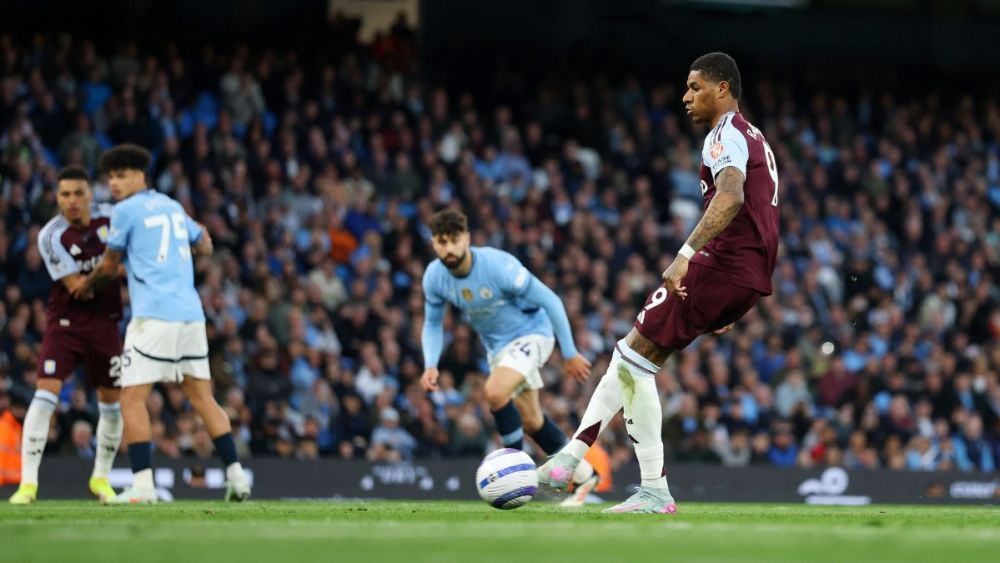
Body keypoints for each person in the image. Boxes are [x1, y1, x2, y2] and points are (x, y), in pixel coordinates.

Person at [540, 52, 780, 514]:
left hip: (724, 264)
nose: (686, 96)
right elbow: (764, 216)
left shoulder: (724, 134)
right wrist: (736, 295)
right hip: (746, 273)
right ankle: (567, 462)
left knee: (632, 357)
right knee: (633, 354)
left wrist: (686, 255)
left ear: (723, 88)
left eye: (695, 87)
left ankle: (646, 487)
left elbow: (729, 197)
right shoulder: (756, 138)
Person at [74, 144, 251, 504]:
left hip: (153, 317)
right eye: (111, 177)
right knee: (202, 397)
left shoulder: (124, 212)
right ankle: (237, 477)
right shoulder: (172, 205)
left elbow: (109, 266)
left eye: (122, 175)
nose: (115, 183)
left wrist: (85, 286)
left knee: (131, 399)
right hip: (191, 316)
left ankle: (142, 486)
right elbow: (206, 245)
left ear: (141, 176)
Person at [419, 208, 599, 505]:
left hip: (532, 333)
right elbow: (433, 323)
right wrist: (430, 364)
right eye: (441, 241)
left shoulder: (498, 266)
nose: (448, 248)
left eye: (453, 240)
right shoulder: (435, 277)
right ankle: (584, 475)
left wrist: (569, 352)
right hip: (498, 347)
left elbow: (550, 300)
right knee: (531, 421)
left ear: (467, 238)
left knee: (494, 392)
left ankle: (514, 475)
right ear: (434, 243)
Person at [9, 166, 124, 505]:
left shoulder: (113, 217)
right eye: (64, 195)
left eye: (77, 193)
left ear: (90, 194)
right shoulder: (50, 236)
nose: (71, 201)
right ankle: (27, 485)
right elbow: (78, 289)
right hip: (66, 324)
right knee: (45, 394)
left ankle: (100, 479)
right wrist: (112, 267)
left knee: (112, 406)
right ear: (57, 198)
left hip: (106, 324)